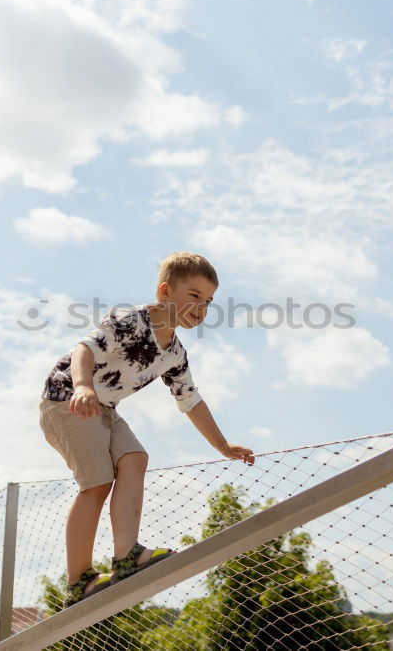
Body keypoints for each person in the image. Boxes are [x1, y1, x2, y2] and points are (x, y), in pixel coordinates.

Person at [39, 251, 255, 608]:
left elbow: (190, 400)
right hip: (67, 398)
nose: (201, 308)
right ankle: (79, 581)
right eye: (194, 296)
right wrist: (82, 385)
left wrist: (223, 445)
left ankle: (126, 555)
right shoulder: (131, 320)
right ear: (166, 291)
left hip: (103, 407)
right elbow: (84, 349)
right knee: (97, 483)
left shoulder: (175, 353)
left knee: (135, 458)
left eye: (209, 302)